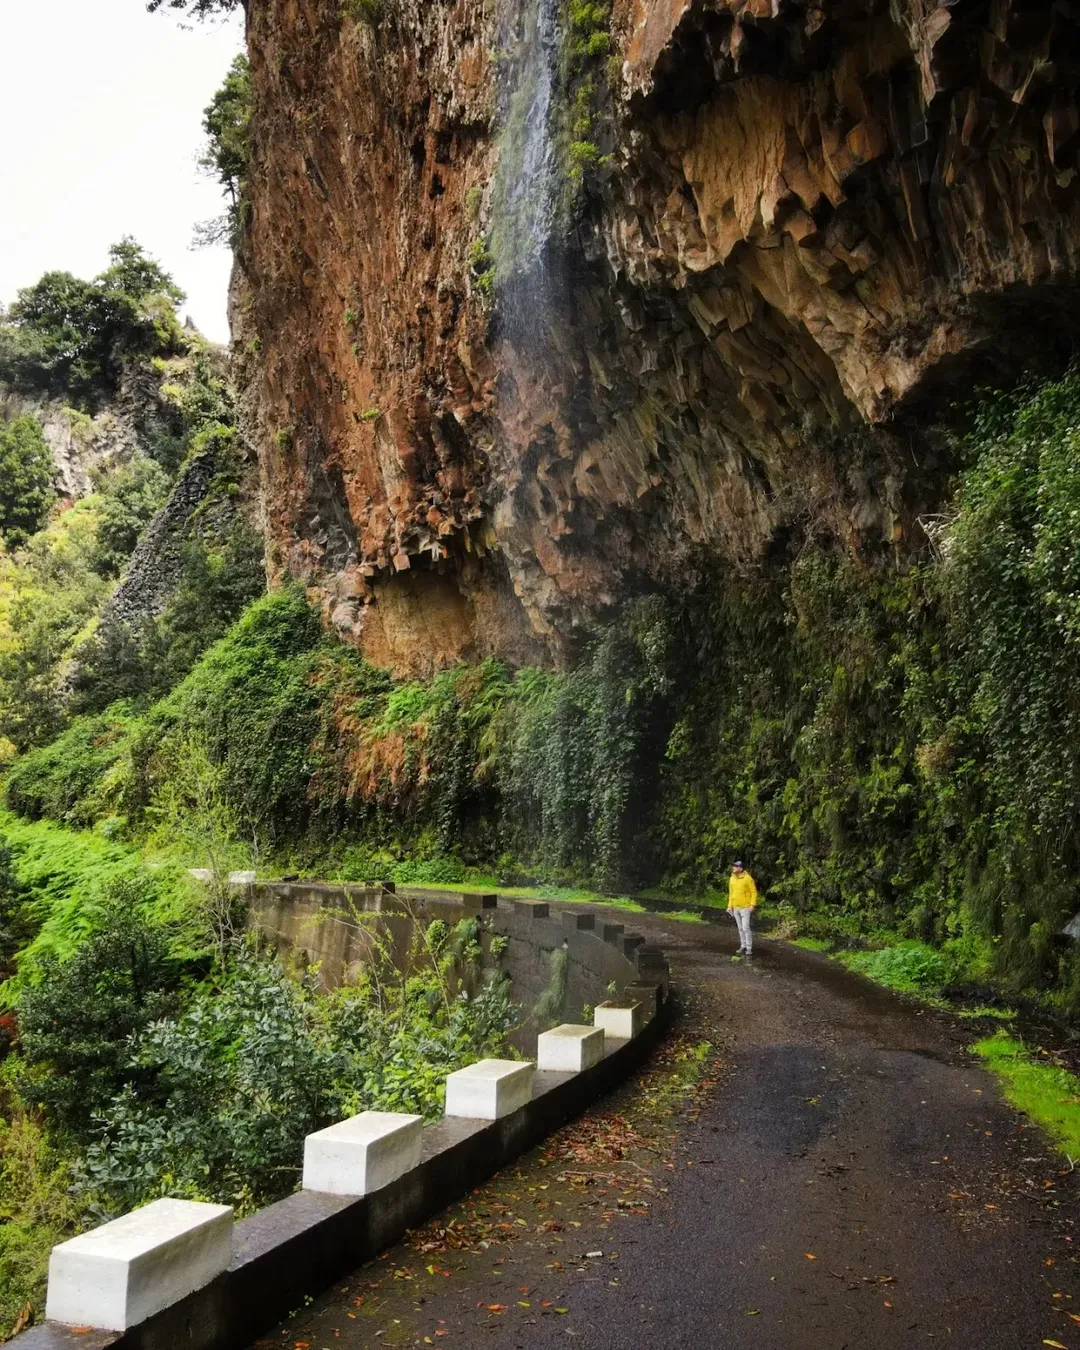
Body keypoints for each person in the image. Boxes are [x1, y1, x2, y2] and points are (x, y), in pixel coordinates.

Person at [726, 860, 758, 956]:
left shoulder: (748, 878)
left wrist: (752, 904)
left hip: (745, 907)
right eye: (733, 866)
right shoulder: (732, 878)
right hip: (735, 907)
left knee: (745, 927)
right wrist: (729, 906)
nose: (733, 868)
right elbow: (731, 893)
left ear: (740, 868)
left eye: (735, 866)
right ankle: (742, 945)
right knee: (740, 928)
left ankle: (749, 947)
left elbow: (754, 892)